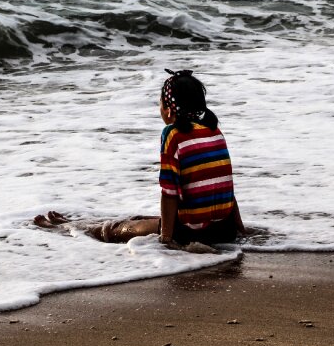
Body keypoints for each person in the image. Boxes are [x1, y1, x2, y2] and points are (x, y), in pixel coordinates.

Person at [34, 69, 245, 249]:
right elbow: (227, 186)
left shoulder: (173, 134)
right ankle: (79, 223)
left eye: (160, 104)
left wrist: (166, 239)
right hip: (224, 230)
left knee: (118, 230)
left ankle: (68, 228)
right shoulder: (214, 131)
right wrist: (240, 230)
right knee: (140, 221)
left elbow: (170, 193)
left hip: (191, 232)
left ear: (169, 110)